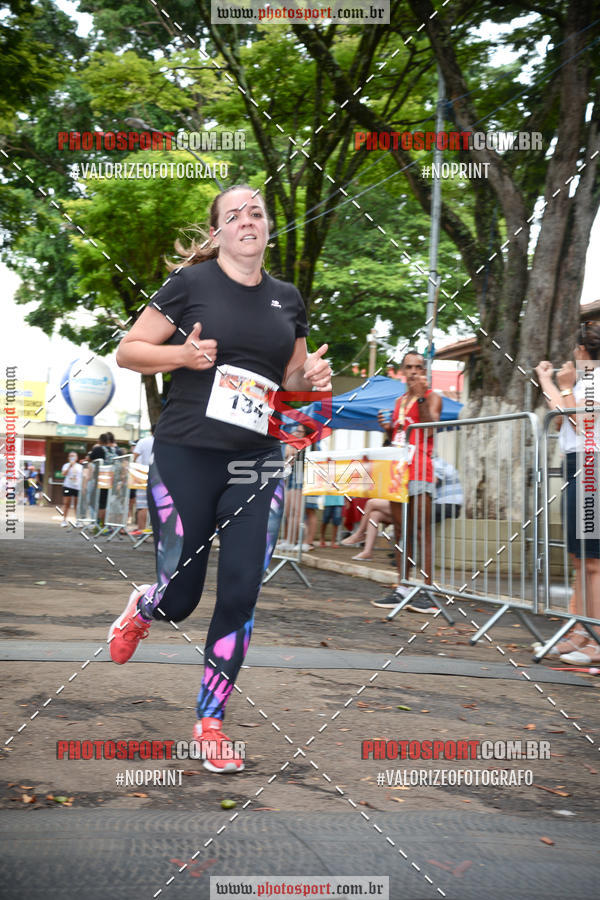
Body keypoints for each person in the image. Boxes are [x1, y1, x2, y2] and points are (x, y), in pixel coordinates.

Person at [111, 184, 332, 773]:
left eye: (255, 212)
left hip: (256, 460)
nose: (246, 220)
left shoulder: (287, 300)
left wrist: (312, 376)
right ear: (217, 233)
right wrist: (181, 357)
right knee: (182, 598)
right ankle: (147, 605)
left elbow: (293, 386)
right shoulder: (189, 286)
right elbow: (129, 352)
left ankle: (212, 723)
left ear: (266, 228)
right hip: (186, 452)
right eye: (232, 215)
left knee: (241, 588)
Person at [536, 321, 600, 664]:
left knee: (593, 563)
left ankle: (596, 640)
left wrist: (562, 385)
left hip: (593, 466)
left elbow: (582, 422)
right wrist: (551, 384)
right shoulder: (585, 381)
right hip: (579, 465)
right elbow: (560, 418)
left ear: (580, 351)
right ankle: (582, 631)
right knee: (581, 559)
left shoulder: (595, 379)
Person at [373, 350, 442, 612]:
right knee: (400, 531)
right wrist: (389, 430)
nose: (413, 371)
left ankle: (427, 590)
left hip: (420, 470)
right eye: (409, 367)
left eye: (418, 367)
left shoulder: (432, 396)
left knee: (421, 530)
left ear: (424, 371)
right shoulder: (399, 401)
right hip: (398, 471)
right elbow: (397, 439)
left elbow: (430, 426)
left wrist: (422, 396)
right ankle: (403, 586)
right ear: (403, 371)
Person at [131, 426, 155, 534]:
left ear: (151, 431)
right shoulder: (167, 441)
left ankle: (141, 531)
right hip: (161, 477)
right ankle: (156, 533)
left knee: (142, 505)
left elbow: (134, 457)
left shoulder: (143, 441)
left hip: (143, 476)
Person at [88, 433, 109, 527]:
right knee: (105, 502)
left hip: (100, 480)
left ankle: (99, 524)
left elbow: (88, 458)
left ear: (99, 440)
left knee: (96, 502)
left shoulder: (98, 449)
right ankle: (103, 524)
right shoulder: (113, 450)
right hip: (111, 480)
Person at [60, 452, 83, 525]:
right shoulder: (66, 465)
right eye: (70, 456)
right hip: (68, 486)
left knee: (77, 505)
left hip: (77, 487)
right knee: (66, 503)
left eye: (73, 456)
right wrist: (70, 466)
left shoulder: (80, 466)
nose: (72, 457)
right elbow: (63, 474)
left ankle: (77, 521)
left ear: (77, 457)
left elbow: (83, 476)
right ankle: (64, 520)